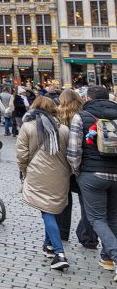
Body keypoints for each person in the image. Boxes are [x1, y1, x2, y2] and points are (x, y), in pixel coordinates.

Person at [17, 95, 71, 271]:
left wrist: (23, 171)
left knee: (47, 211)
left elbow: (22, 155)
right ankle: (48, 246)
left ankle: (59, 252)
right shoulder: (63, 129)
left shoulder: (27, 127)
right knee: (51, 208)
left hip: (38, 173)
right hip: (61, 174)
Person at [68, 84, 117, 279]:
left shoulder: (81, 116)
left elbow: (73, 151)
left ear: (88, 98)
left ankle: (114, 254)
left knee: (97, 218)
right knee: (113, 218)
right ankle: (106, 258)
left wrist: (77, 171)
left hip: (91, 174)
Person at [57, 87, 99, 252]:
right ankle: (87, 236)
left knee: (63, 200)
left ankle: (62, 232)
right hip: (82, 163)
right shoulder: (85, 115)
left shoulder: (57, 115)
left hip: (62, 164)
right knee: (86, 203)